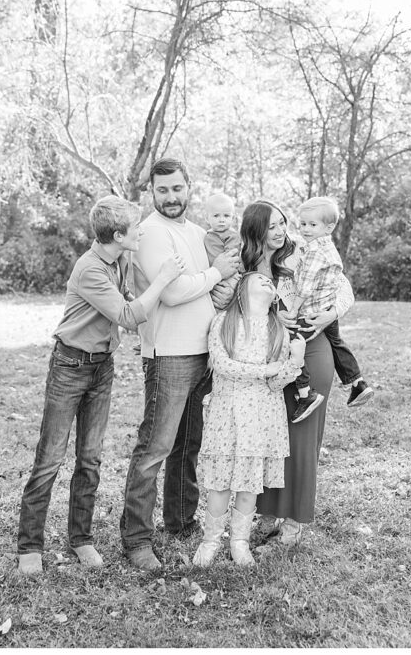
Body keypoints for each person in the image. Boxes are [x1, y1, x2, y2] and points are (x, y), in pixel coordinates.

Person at [16, 196, 184, 575]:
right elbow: (127, 314)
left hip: (100, 368)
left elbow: (127, 301)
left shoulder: (121, 259)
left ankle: (81, 539)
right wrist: (163, 279)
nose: (140, 231)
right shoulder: (89, 268)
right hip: (70, 366)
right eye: (135, 227)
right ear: (119, 234)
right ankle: (30, 546)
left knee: (90, 459)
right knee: (50, 460)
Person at [119, 158, 241, 570]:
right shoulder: (151, 232)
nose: (171, 197)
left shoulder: (197, 233)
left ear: (190, 187)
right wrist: (215, 273)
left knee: (188, 446)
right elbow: (170, 293)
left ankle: (181, 521)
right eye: (162, 190)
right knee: (154, 448)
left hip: (203, 351)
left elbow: (213, 285)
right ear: (151, 192)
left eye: (177, 188)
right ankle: (137, 540)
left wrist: (217, 276)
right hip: (169, 354)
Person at [235, 200, 354, 547]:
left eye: (282, 223)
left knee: (300, 438)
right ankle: (267, 512)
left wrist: (331, 314)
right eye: (271, 226)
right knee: (271, 438)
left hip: (310, 350)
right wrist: (273, 316)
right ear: (255, 230)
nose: (279, 231)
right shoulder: (244, 263)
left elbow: (343, 286)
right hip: (268, 358)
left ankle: (292, 521)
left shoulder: (300, 251)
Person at [192, 272, 306, 567]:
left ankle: (239, 541)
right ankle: (210, 540)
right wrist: (266, 370)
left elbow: (276, 383)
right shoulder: (224, 323)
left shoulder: (277, 329)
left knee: (248, 485)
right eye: (260, 278)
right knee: (219, 484)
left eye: (271, 282)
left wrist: (294, 363)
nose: (269, 281)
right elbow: (222, 365)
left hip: (262, 418)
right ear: (242, 290)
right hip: (226, 415)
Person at [282, 196, 374, 420]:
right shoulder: (326, 247)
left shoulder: (314, 252)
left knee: (291, 342)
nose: (305, 229)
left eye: (312, 225)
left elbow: (304, 287)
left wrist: (293, 310)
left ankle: (305, 394)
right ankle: (357, 382)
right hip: (327, 310)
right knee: (337, 342)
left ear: (329, 227)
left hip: (312, 312)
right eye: (303, 224)